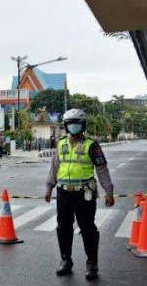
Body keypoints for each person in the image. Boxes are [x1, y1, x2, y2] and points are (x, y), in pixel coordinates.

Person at [44, 108, 114, 281]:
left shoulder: (92, 145)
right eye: (70, 124)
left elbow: (102, 169)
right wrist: (49, 187)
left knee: (88, 228)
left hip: (85, 193)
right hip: (64, 193)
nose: (74, 127)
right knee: (63, 227)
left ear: (83, 125)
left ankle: (92, 264)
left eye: (77, 124)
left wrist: (109, 192)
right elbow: (54, 166)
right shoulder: (61, 143)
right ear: (66, 126)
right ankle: (66, 261)